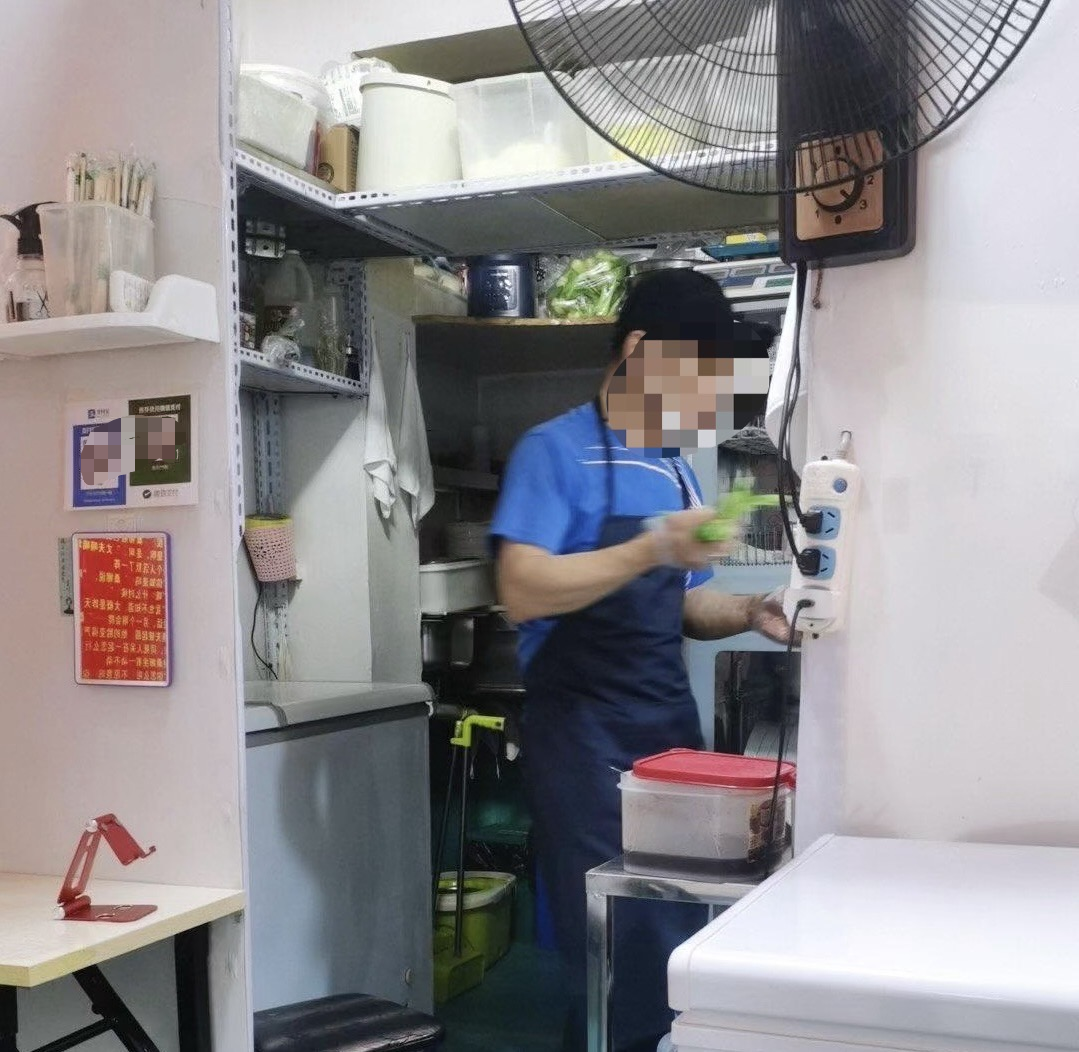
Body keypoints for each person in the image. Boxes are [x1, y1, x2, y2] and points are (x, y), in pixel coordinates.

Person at [488, 269, 792, 1052]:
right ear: (637, 352)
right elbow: (522, 587)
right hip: (583, 738)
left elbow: (687, 603)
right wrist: (651, 545)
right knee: (616, 942)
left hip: (666, 735)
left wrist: (748, 613)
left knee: (682, 930)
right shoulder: (553, 452)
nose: (705, 402)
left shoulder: (672, 467)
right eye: (697, 379)